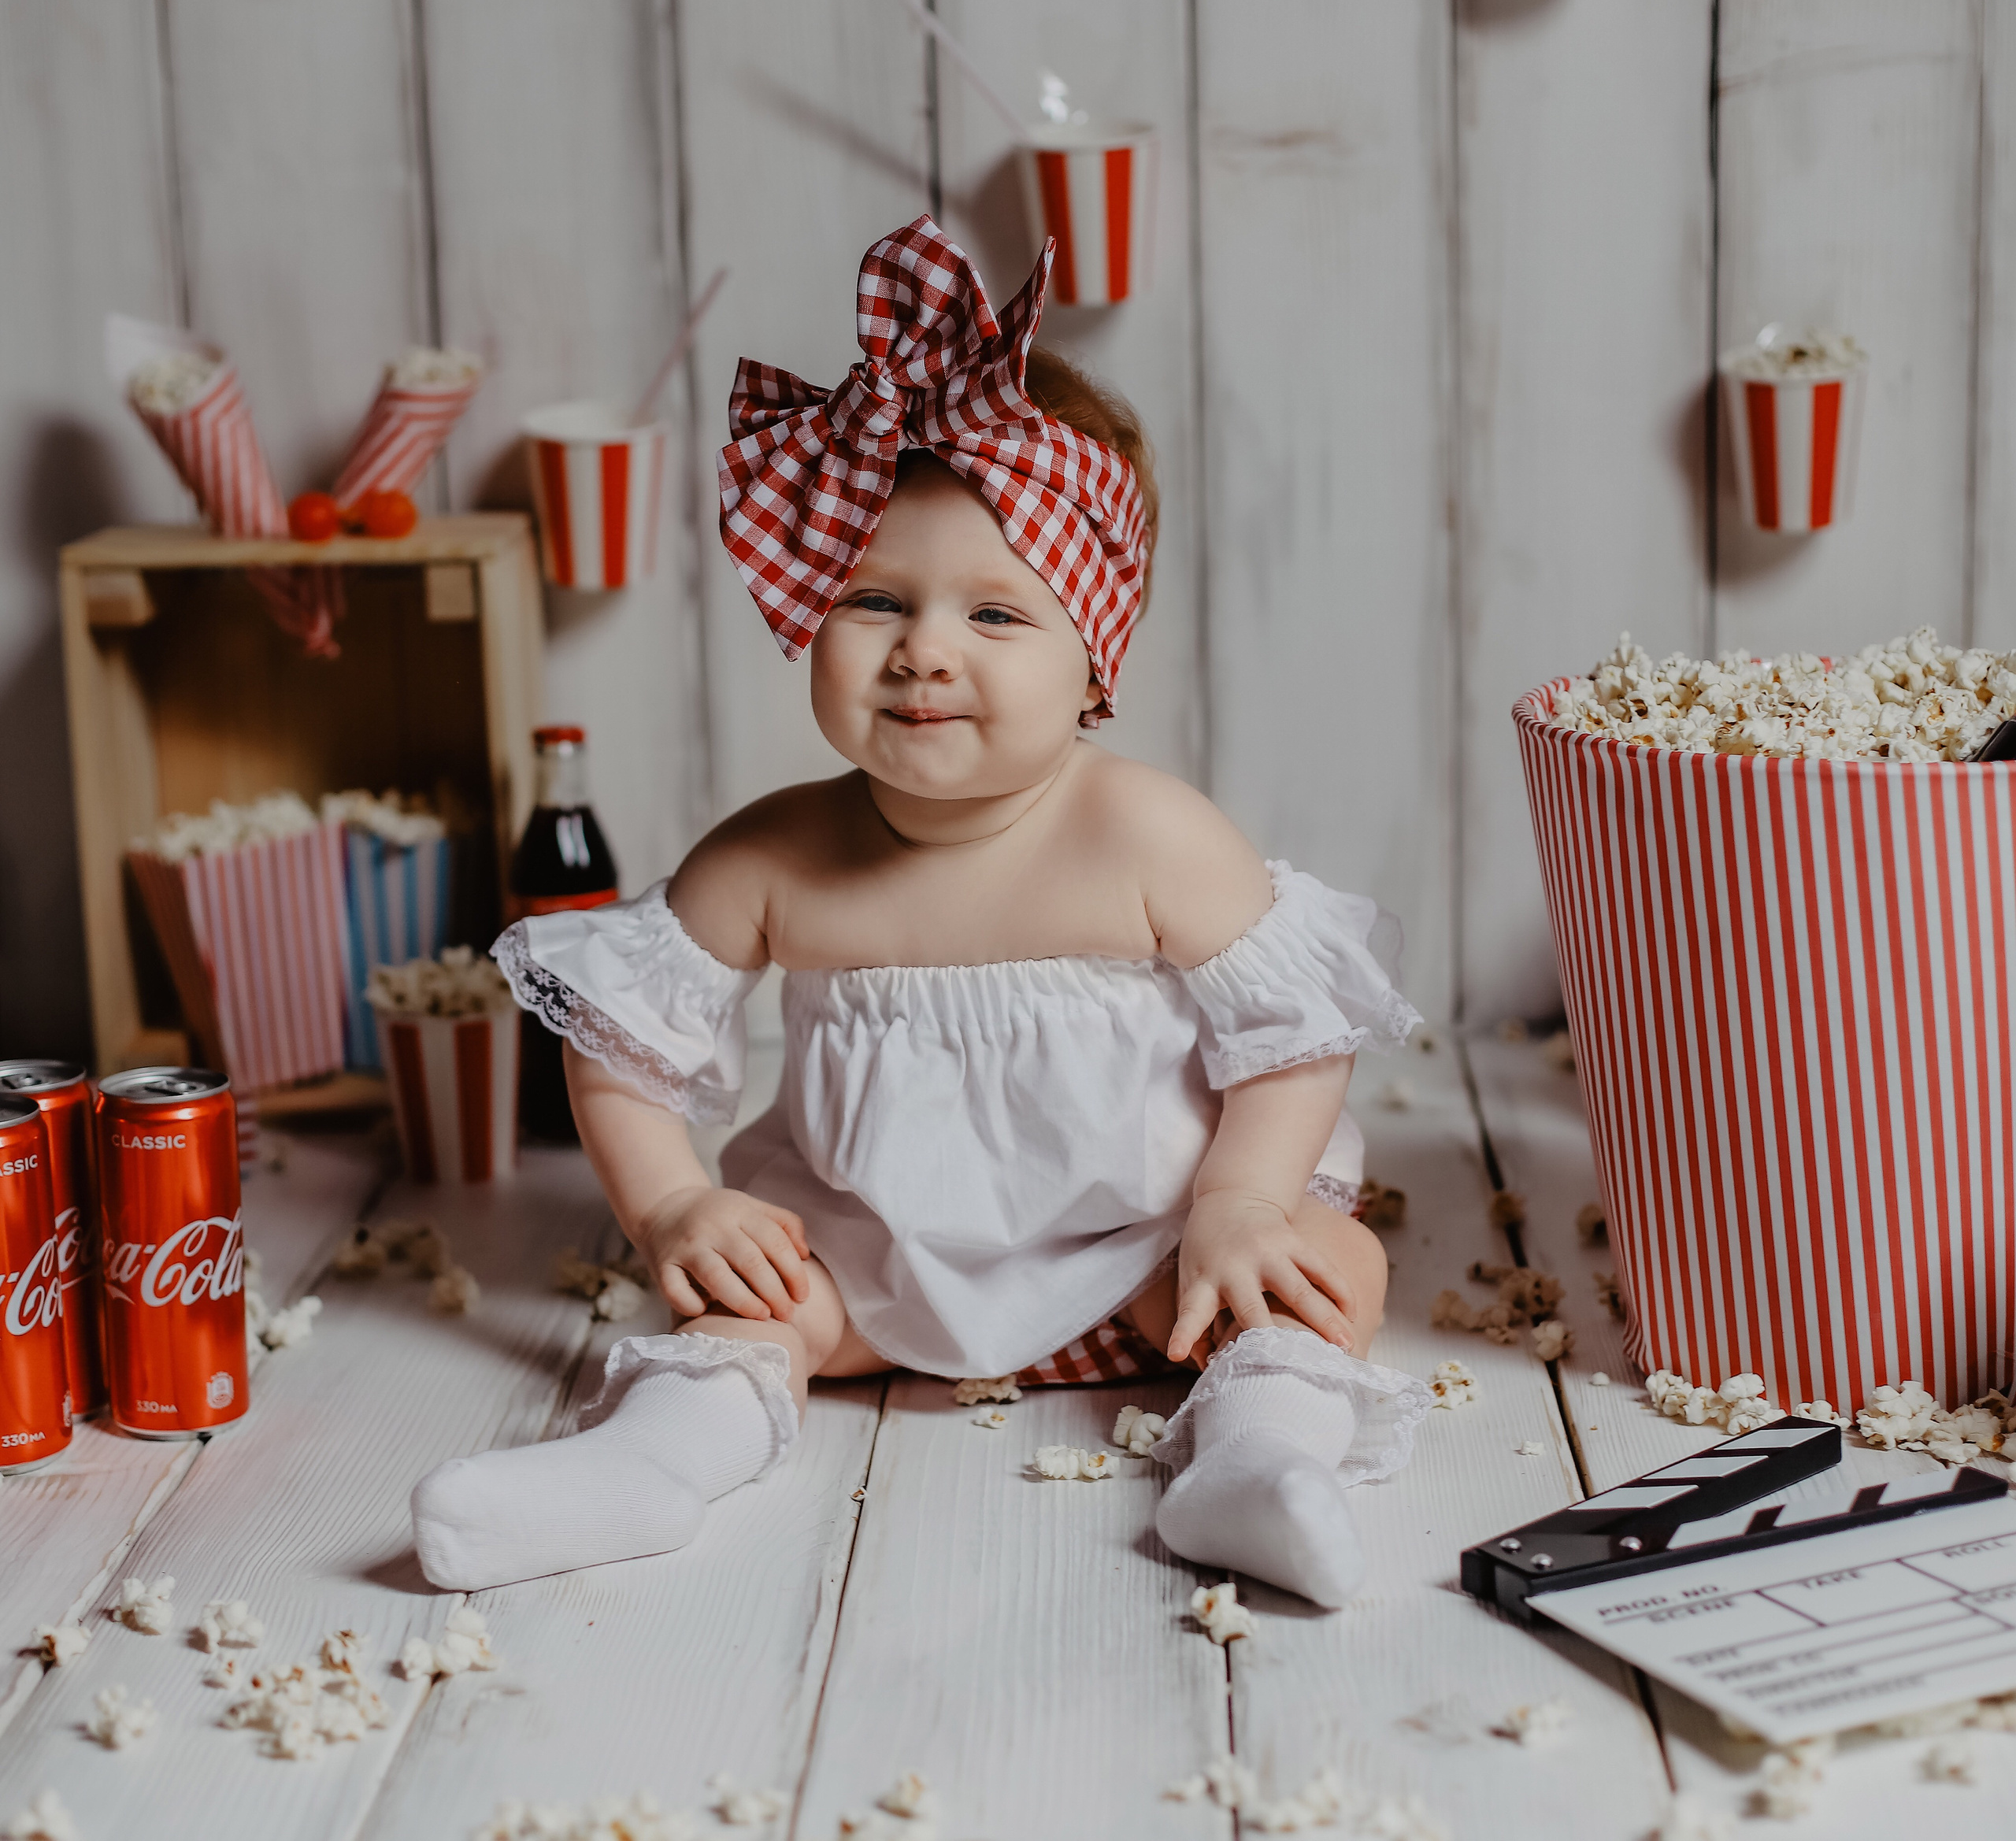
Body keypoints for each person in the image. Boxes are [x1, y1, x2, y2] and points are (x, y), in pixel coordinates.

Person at [412, 217, 1428, 1608]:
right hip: (873, 1267)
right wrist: (673, 1211)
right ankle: (651, 1465)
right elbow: (619, 1046)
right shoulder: (773, 856)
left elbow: (1294, 1031)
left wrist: (1244, 1200)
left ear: (1095, 659)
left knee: (1323, 1265)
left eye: (998, 615)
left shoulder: (1147, 833)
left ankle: (1256, 1461)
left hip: (1151, 1251)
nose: (923, 650)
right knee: (743, 1308)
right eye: (874, 598)